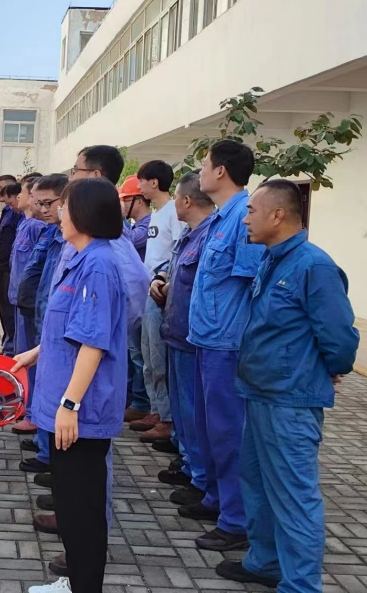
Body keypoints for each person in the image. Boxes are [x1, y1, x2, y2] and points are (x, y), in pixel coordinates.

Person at [217, 180, 359, 591]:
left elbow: (340, 338)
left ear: (278, 215)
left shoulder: (314, 266)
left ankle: (300, 585)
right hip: (260, 391)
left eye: (252, 211)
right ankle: (265, 562)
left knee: (294, 496)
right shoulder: (273, 258)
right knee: (258, 485)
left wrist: (326, 368)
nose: (246, 219)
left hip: (290, 400)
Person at [13, 178, 128, 593]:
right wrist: (35, 352)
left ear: (84, 214)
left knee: (83, 510)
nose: (57, 213)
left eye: (64, 207)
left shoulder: (98, 265)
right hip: (64, 404)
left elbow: (93, 343)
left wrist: (70, 405)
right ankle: (74, 581)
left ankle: (84, 586)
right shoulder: (80, 258)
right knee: (70, 502)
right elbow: (70, 329)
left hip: (82, 411)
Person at [184, 140, 266, 552]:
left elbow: (253, 286)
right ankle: (216, 499)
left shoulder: (243, 218)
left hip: (227, 344)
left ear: (221, 171)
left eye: (205, 164)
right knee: (208, 428)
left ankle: (236, 521)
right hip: (206, 338)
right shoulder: (221, 217)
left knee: (229, 432)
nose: (200, 172)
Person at [152, 173, 216, 511]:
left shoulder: (210, 236)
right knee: (183, 411)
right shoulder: (189, 235)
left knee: (195, 415)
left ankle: (201, 479)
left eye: (176, 197)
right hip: (176, 333)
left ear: (186, 201)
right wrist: (161, 278)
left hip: (194, 340)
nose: (174, 203)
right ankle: (190, 466)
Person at [16, 174, 70, 485]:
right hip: (41, 318)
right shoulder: (52, 232)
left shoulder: (79, 244)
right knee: (44, 387)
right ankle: (46, 448)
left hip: (59, 331)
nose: (42, 208)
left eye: (48, 203)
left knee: (57, 393)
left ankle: (55, 459)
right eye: (38, 202)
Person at [133, 161, 187, 444]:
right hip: (147, 292)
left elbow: (177, 253)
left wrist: (163, 281)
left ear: (154, 182)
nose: (139, 186)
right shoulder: (157, 213)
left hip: (160, 294)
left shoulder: (173, 213)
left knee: (158, 357)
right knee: (148, 356)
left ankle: (167, 419)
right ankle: (155, 409)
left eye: (142, 180)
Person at [10, 176, 47, 437]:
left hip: (32, 304)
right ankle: (27, 405)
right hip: (19, 300)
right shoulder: (25, 224)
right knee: (22, 354)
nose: (22, 197)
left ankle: (33, 411)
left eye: (26, 193)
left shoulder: (38, 227)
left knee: (32, 358)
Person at [119, 175, 152, 425]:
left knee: (138, 354)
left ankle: (140, 402)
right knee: (133, 354)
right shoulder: (135, 226)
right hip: (136, 297)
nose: (122, 206)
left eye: (125, 200)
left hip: (141, 299)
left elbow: (125, 241)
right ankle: (132, 398)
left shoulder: (145, 227)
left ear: (137, 201)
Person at [0, 175, 21, 356]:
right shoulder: (7, 210)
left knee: (10, 313)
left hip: (11, 271)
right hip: (3, 271)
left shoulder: (17, 213)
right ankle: (7, 345)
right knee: (3, 310)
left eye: (2, 188)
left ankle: (11, 350)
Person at [119, 176, 151, 261]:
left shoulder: (150, 223)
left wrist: (118, 216)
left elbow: (128, 241)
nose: (123, 204)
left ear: (139, 202)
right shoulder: (136, 225)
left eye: (125, 201)